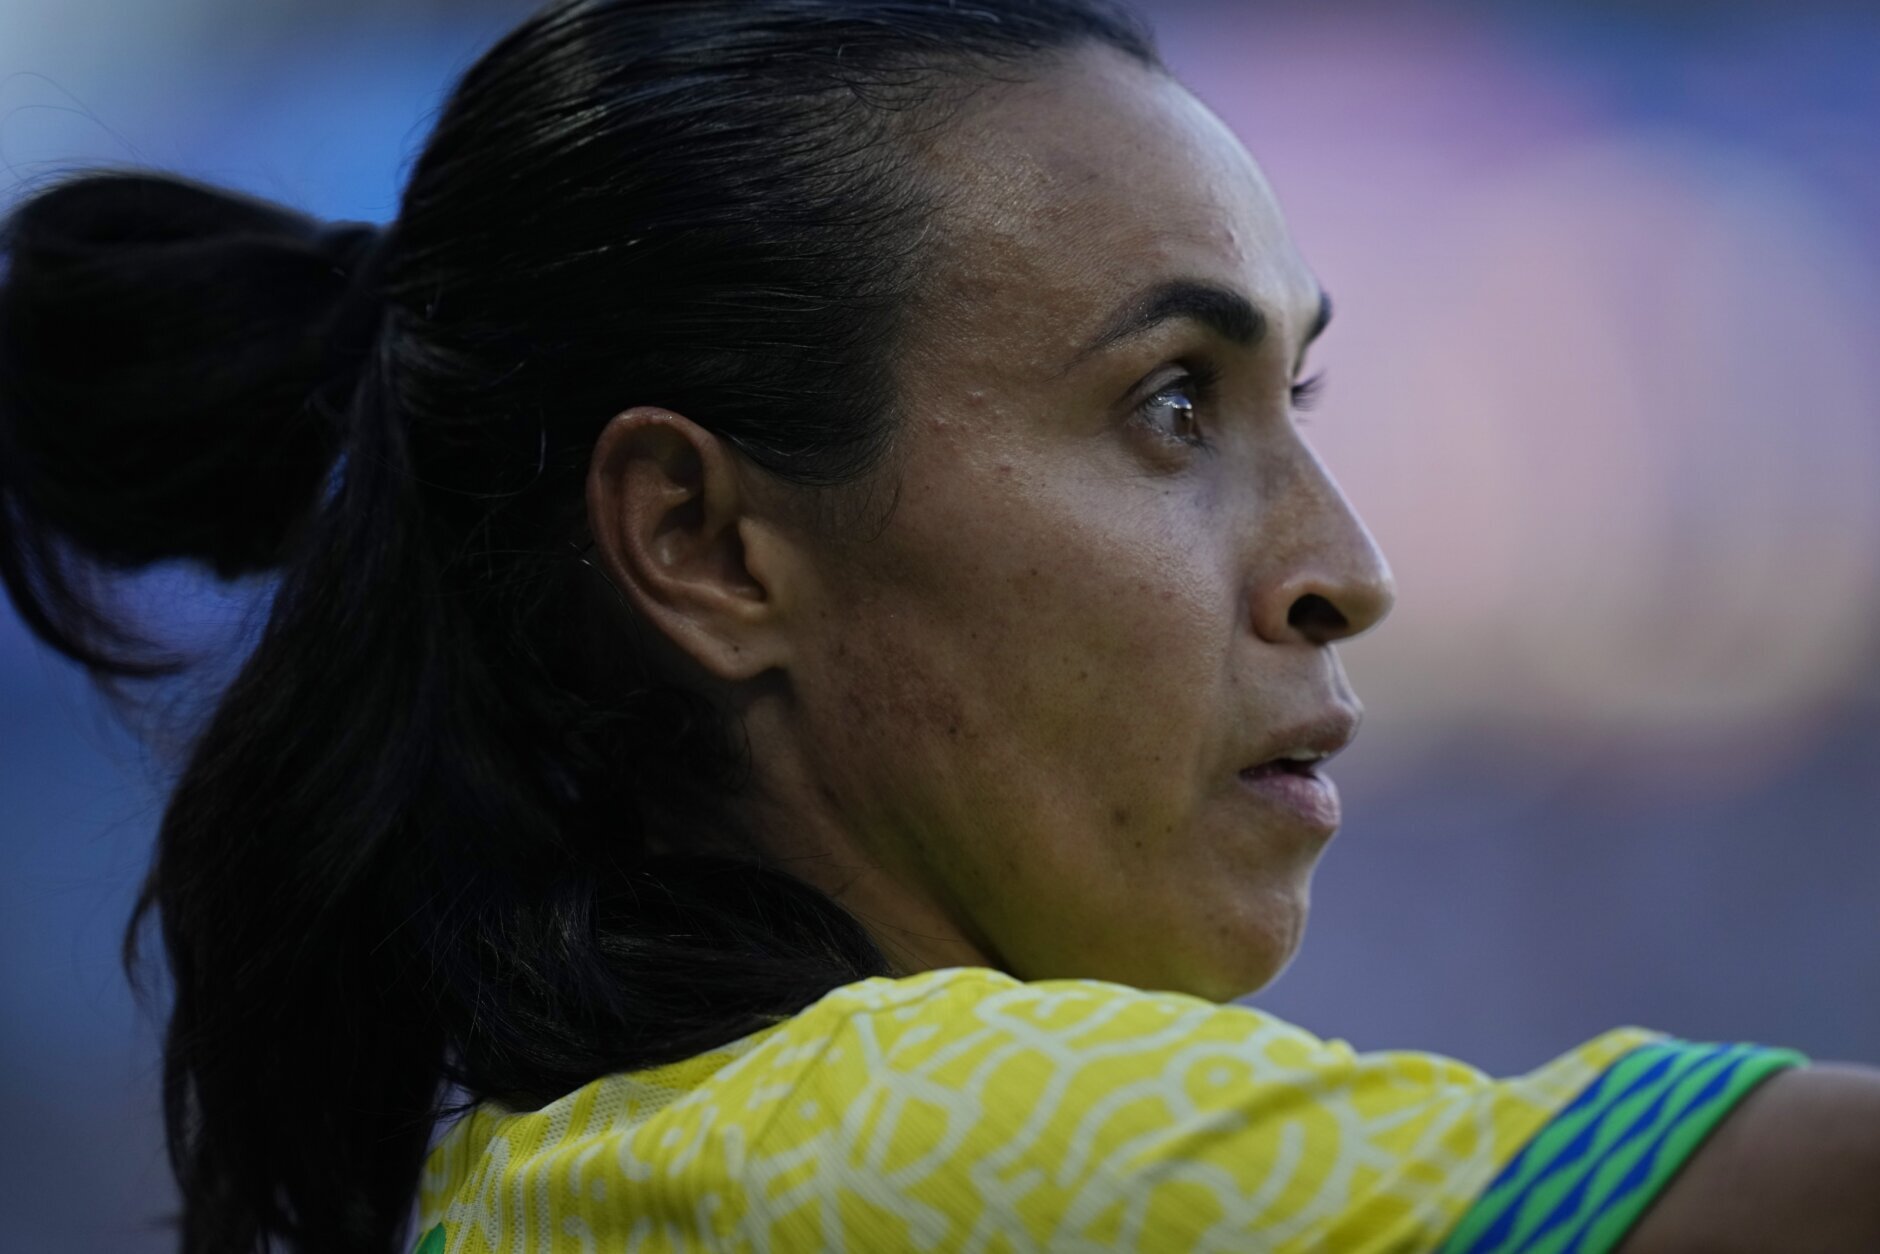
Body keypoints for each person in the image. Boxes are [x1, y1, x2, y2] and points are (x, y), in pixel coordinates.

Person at [1, 0, 1875, 1250]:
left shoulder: (633, 1163)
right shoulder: (900, 1146)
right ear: (704, 544)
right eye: (1169, 403)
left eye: (1294, 398)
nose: (1347, 565)